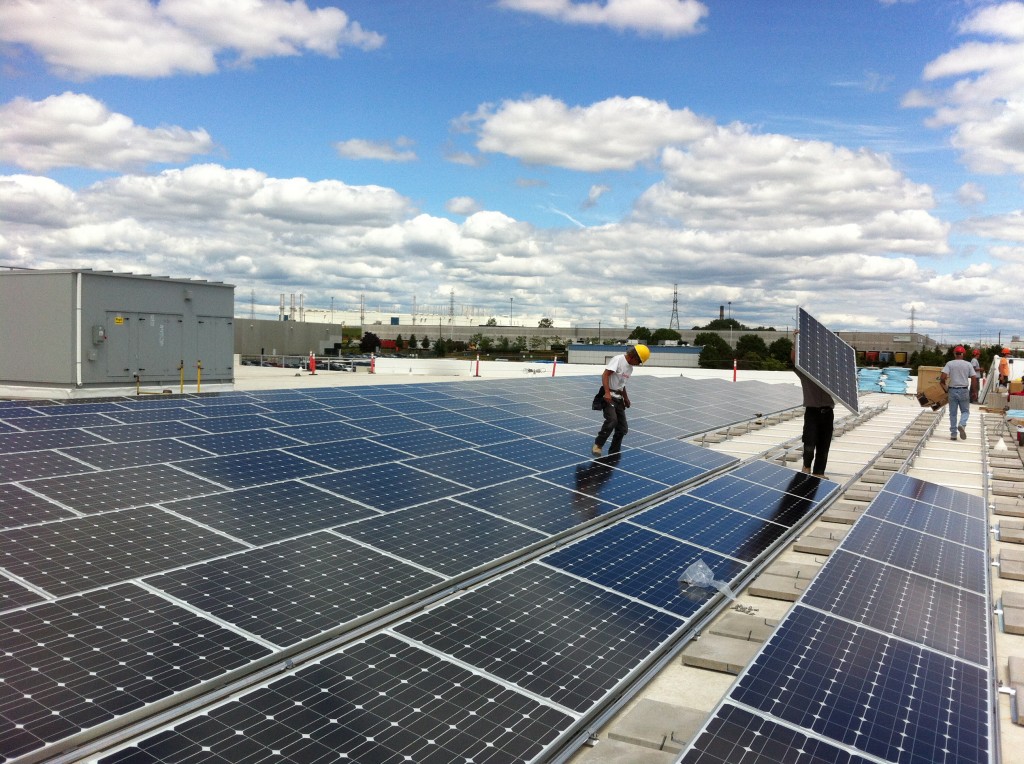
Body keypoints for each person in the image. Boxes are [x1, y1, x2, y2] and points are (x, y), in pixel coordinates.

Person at [791, 330, 835, 478]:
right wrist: (796, 339)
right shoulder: (805, 373)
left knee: (824, 445)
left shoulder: (830, 375)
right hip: (812, 413)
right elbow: (795, 359)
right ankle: (806, 467)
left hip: (828, 413)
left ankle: (819, 473)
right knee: (809, 445)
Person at [592, 344, 649, 455]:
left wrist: (626, 398)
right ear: (634, 356)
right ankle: (598, 445)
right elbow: (605, 375)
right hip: (608, 396)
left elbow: (622, 385)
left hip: (618, 398)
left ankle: (613, 452)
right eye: (639, 361)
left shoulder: (630, 368)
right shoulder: (618, 360)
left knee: (622, 429)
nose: (638, 364)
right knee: (612, 420)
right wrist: (607, 393)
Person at [940, 346, 977, 441]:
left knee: (952, 413)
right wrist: (974, 391)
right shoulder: (968, 364)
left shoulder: (950, 364)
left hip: (952, 390)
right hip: (964, 390)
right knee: (965, 411)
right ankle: (962, 424)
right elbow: (973, 378)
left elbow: (943, 377)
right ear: (963, 354)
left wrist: (944, 385)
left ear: (954, 354)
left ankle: (953, 434)